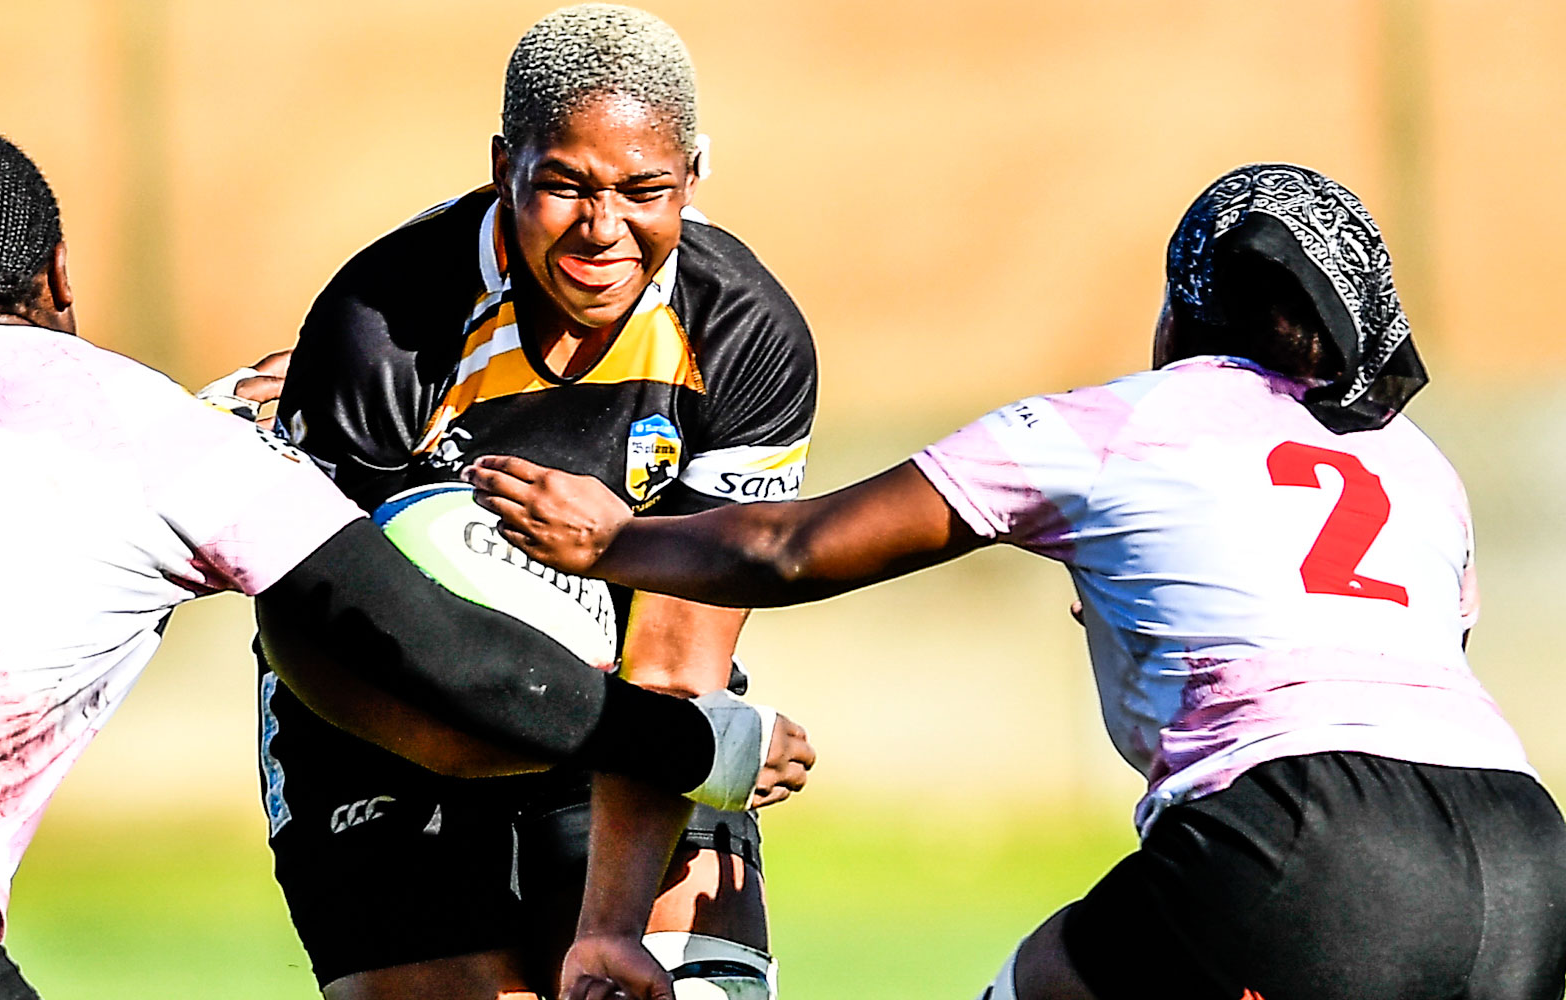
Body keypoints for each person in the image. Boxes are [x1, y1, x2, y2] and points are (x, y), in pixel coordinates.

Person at [0, 124, 813, 1000]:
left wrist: (219, 419)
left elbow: (28, 470)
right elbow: (433, 646)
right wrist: (696, 743)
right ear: (60, 273)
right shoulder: (159, 438)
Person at [470, 163, 1566, 1000]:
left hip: (1306, 836)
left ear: (1184, 304)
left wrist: (614, 541)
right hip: (1527, 854)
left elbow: (791, 547)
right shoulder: (1419, 464)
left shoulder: (1117, 424)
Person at [237, 6, 819, 998]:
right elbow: (323, 630)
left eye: (644, 190)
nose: (603, 229)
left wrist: (610, 927)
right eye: (564, 186)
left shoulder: (741, 334)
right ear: (504, 166)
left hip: (627, 716)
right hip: (383, 724)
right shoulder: (383, 326)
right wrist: (519, 732)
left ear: (693, 173)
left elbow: (677, 658)